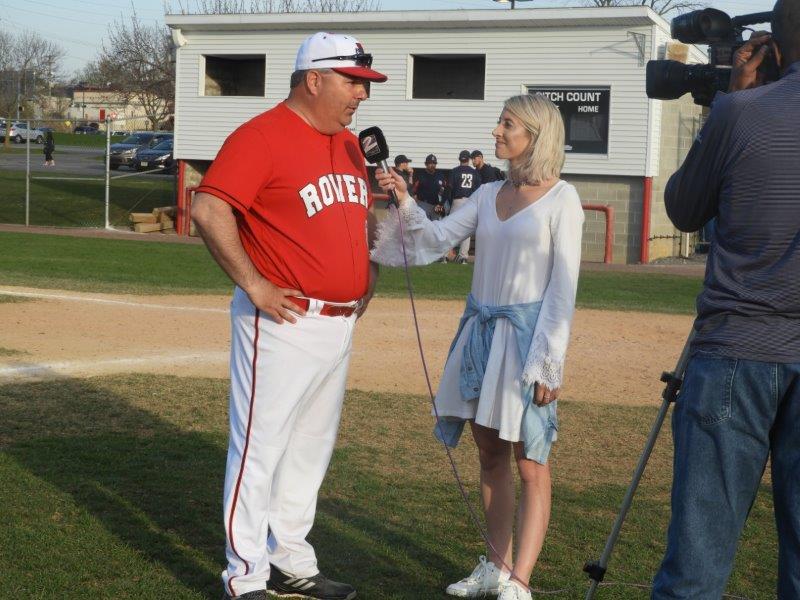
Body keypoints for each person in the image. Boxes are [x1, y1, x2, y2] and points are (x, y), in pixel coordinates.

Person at [190, 31, 387, 600]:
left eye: (364, 85)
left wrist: (364, 275)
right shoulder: (262, 135)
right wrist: (252, 283)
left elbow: (356, 219)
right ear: (314, 79)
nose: (360, 96)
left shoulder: (350, 145)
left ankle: (292, 559)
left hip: (339, 322)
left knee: (309, 450)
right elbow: (209, 207)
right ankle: (244, 575)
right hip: (282, 320)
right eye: (353, 83)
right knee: (260, 447)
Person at [372, 94, 584, 600]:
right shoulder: (488, 193)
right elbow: (437, 238)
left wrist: (549, 364)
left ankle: (521, 581)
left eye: (506, 124)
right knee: (490, 454)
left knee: (531, 460)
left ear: (534, 134)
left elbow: (563, 287)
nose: (496, 131)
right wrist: (404, 199)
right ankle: (496, 565)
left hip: (527, 339)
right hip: (480, 335)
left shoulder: (563, 199)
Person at [651, 3, 800, 598]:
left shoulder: (740, 112)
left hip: (737, 349)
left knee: (698, 561)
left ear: (778, 48)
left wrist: (728, 100)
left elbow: (684, 208)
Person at [447, 150, 482, 264]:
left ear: (459, 159)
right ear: (469, 159)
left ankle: (445, 255)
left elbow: (449, 188)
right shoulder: (474, 172)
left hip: (457, 200)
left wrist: (448, 202)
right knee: (466, 230)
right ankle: (463, 256)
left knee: (450, 227)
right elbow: (478, 190)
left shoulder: (454, 171)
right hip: (470, 201)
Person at [413, 153, 448, 220]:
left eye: (434, 163)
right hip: (423, 205)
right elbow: (414, 191)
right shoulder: (420, 175)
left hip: (436, 206)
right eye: (430, 163)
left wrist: (441, 204)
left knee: (435, 227)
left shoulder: (440, 175)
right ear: (426, 164)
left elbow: (446, 190)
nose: (432, 165)